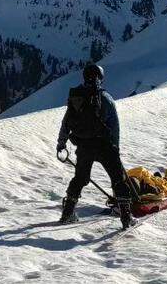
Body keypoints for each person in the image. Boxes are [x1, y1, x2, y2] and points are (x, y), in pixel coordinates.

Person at [57, 62, 134, 229]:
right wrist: (115, 148)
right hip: (105, 145)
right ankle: (126, 217)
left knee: (80, 178)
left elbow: (66, 122)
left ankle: (68, 213)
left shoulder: (77, 98)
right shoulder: (105, 98)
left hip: (84, 146)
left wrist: (61, 143)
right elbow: (114, 126)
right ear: (100, 77)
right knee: (118, 179)